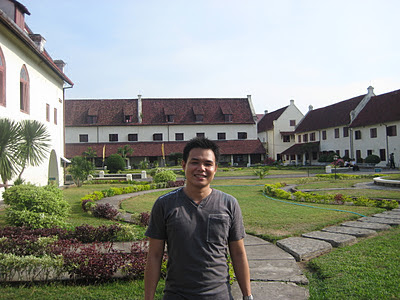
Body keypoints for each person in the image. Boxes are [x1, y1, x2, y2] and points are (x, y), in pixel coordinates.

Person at [144, 137, 252, 300]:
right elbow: (154, 255)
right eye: (194, 162)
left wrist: (247, 296)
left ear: (215, 168)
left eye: (208, 164)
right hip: (177, 295)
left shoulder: (229, 204)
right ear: (183, 165)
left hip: (219, 295)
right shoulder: (165, 205)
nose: (201, 168)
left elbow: (238, 253)